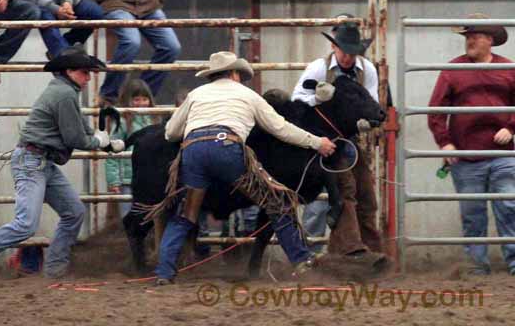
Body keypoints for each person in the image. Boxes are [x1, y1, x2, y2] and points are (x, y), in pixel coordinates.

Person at [152, 51, 336, 284]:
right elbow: (281, 128)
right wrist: (317, 142)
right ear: (235, 73)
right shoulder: (248, 95)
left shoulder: (196, 94)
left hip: (193, 151)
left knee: (186, 214)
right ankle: (301, 261)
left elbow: (170, 132)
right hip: (228, 148)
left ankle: (164, 273)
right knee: (276, 203)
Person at [0, 46, 123, 281]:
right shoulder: (64, 94)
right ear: (69, 71)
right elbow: (76, 138)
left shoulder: (65, 91)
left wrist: (103, 142)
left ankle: (55, 271)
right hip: (33, 161)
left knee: (73, 212)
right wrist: (99, 141)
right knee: (26, 224)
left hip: (39, 161)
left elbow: (81, 128)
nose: (88, 77)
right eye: (84, 72)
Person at [292, 17, 385, 266]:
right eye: (344, 50)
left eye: (352, 52)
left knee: (365, 194)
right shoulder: (318, 69)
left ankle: (364, 250)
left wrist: (366, 122)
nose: (347, 57)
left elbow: (371, 104)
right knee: (346, 192)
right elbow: (297, 99)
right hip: (320, 141)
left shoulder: (367, 70)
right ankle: (353, 251)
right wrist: (319, 99)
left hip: (349, 138)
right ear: (334, 47)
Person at [428, 13, 515, 276]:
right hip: (466, 154)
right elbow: (435, 110)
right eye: (467, 37)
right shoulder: (453, 70)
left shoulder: (509, 69)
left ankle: (514, 262)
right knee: (472, 212)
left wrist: (510, 129)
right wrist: (445, 143)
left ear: (489, 40)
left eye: (475, 36)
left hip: (503, 154)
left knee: (509, 207)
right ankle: (477, 266)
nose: (470, 41)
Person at [105, 79, 158, 218]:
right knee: (128, 215)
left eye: (145, 99)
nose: (141, 103)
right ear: (127, 100)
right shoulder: (122, 122)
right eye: (136, 99)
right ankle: (131, 239)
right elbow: (112, 150)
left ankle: (146, 239)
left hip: (149, 177)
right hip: (127, 179)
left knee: (148, 214)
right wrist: (113, 180)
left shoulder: (154, 119)